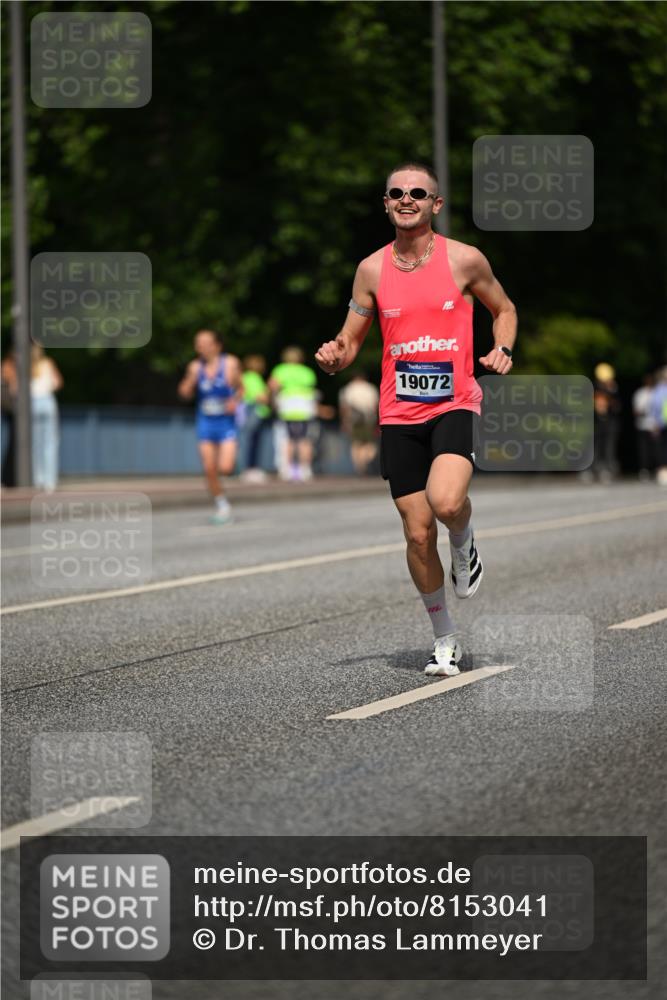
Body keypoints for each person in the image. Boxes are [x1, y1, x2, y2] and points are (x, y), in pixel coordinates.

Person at [315, 162, 517, 676]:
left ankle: (465, 537)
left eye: (418, 193)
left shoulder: (464, 260)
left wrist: (503, 348)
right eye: (397, 193)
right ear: (385, 203)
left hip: (454, 400)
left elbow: (505, 308)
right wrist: (336, 355)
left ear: (436, 204)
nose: (407, 199)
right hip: (399, 410)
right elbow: (351, 339)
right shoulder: (371, 270)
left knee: (446, 503)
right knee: (417, 533)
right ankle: (444, 638)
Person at [178, 329, 242, 523]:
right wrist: (189, 384)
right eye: (197, 343)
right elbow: (184, 393)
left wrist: (235, 401)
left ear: (216, 345)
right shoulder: (195, 367)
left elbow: (241, 388)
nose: (199, 347)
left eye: (204, 342)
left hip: (226, 423)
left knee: (226, 467)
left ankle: (230, 468)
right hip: (205, 423)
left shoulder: (230, 363)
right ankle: (222, 505)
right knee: (209, 469)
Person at [269, 346, 318, 482]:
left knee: (289, 438)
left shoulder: (280, 370)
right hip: (305, 407)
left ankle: (287, 469)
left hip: (288, 406)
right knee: (304, 439)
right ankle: (306, 469)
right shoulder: (307, 371)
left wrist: (273, 402)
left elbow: (273, 387)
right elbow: (312, 390)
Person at [31, 345, 63, 491]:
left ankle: (39, 480)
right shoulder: (48, 363)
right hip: (48, 401)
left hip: (33, 403)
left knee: (35, 444)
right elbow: (57, 383)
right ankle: (50, 482)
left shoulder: (28, 366)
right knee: (50, 444)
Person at [338, 371, 380, 475]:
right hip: (369, 418)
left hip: (354, 419)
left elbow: (344, 407)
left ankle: (359, 466)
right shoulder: (370, 388)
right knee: (369, 442)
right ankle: (367, 461)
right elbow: (376, 406)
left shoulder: (348, 389)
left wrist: (344, 421)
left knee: (356, 443)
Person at [239, 354, 271, 482]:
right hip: (254, 412)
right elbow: (260, 397)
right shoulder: (254, 378)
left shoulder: (244, 377)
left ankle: (249, 468)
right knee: (252, 441)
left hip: (249, 412)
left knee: (249, 440)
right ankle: (251, 469)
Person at [592, 362, 621, 483]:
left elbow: (617, 406)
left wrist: (610, 390)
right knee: (597, 446)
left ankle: (609, 469)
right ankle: (595, 470)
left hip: (611, 423)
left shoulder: (613, 389)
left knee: (609, 447)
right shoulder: (596, 388)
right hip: (599, 422)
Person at [632, 373, 657, 481]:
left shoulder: (657, 393)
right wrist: (643, 411)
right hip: (642, 425)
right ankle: (644, 470)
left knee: (656, 449)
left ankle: (657, 469)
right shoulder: (640, 393)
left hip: (654, 425)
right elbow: (636, 410)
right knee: (643, 449)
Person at [651, 366, 667, 487]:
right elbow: (654, 407)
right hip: (662, 424)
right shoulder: (659, 389)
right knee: (661, 449)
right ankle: (662, 471)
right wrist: (655, 422)